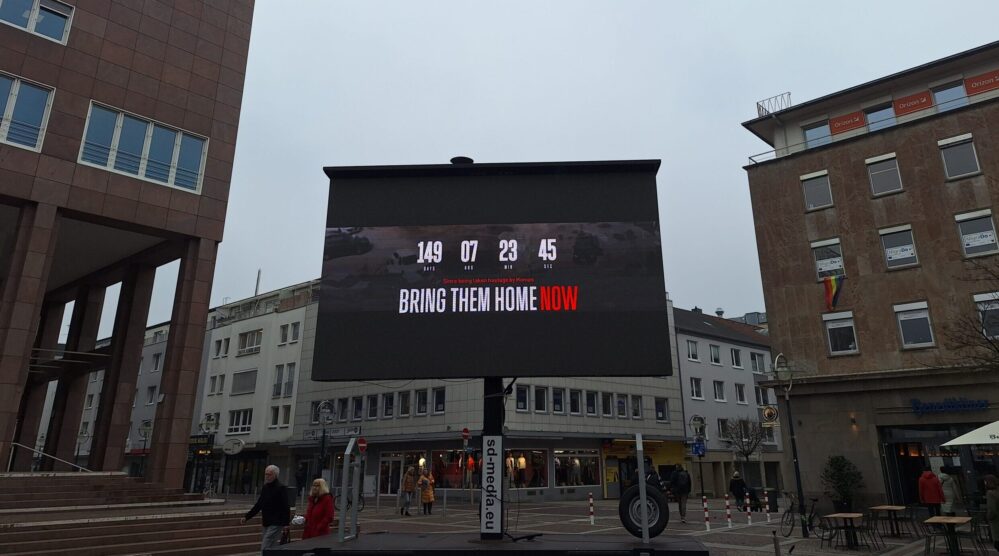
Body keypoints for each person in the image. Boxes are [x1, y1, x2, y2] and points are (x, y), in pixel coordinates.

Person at [241, 465, 291, 551]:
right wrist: (247, 517)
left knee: (266, 545)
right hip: (267, 521)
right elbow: (259, 504)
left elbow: (286, 506)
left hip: (277, 521)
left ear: (275, 475)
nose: (267, 476)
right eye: (266, 474)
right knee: (271, 546)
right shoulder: (265, 487)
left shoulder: (281, 488)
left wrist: (286, 523)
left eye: (269, 474)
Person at [983, 474, 999, 552]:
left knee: (997, 544)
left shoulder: (990, 493)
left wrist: (988, 517)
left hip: (996, 522)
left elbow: (992, 510)